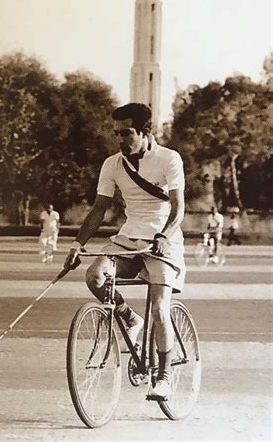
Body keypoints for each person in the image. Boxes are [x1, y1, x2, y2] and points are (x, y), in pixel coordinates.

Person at [64, 102, 186, 401]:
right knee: (95, 277)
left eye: (127, 133)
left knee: (159, 309)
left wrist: (163, 235)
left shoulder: (169, 159)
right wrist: (77, 245)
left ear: (146, 132)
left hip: (162, 242)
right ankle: (129, 317)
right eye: (116, 133)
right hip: (129, 239)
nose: (120, 140)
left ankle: (164, 377)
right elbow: (98, 210)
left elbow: (179, 209)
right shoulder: (112, 164)